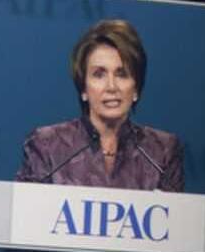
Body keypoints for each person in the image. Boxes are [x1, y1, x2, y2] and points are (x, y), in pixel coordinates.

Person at [16, 19, 184, 192]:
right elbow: (27, 215)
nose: (111, 87)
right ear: (83, 88)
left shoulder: (162, 151)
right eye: (99, 74)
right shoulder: (46, 146)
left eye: (122, 74)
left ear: (136, 89)